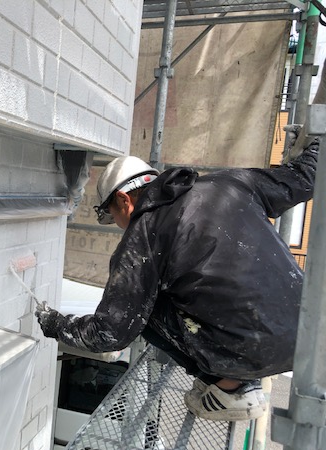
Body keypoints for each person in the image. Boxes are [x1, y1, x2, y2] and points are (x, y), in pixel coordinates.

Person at [36, 137, 319, 421]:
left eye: (113, 216)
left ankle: (229, 387)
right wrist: (318, 144)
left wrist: (56, 325)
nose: (120, 226)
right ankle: (235, 375)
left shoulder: (142, 236)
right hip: (308, 334)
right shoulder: (230, 183)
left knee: (139, 311)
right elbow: (305, 178)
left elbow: (109, 333)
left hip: (245, 353)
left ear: (123, 200)